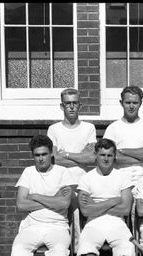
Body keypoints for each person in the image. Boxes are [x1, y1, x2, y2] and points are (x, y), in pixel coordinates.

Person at [10, 135, 76, 256]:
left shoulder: (63, 172)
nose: (40, 158)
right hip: (32, 225)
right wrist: (53, 199)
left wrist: (36, 196)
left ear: (51, 153)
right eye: (37, 155)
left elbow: (64, 204)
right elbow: (21, 204)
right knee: (19, 252)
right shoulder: (28, 172)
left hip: (58, 226)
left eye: (44, 154)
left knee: (60, 253)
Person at [76, 138, 136, 256]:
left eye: (110, 155)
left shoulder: (122, 177)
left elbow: (125, 209)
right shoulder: (86, 178)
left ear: (115, 156)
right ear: (95, 156)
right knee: (86, 250)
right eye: (102, 155)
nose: (106, 158)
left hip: (117, 222)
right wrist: (112, 200)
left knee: (127, 249)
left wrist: (98, 204)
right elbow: (85, 211)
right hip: (93, 223)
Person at [47, 88, 97, 246]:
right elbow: (53, 159)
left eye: (75, 103)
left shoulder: (89, 128)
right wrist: (80, 157)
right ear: (62, 106)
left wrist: (66, 154)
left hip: (83, 182)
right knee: (63, 224)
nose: (71, 107)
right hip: (61, 182)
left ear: (80, 105)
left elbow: (91, 158)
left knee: (82, 224)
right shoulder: (54, 129)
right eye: (68, 103)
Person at [103, 85, 143, 186]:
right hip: (120, 179)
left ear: (140, 103)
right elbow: (108, 156)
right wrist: (141, 156)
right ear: (121, 103)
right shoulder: (112, 128)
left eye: (135, 103)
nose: (131, 106)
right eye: (128, 103)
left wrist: (122, 151)